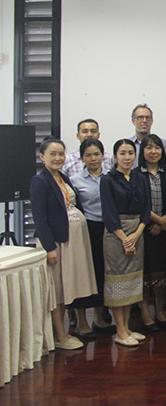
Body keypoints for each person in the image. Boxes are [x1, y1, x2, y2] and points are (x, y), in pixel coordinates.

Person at [30, 137, 98, 350]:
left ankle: (63, 332)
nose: (58, 158)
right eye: (53, 154)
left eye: (61, 154)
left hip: (71, 242)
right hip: (56, 244)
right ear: (42, 157)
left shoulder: (63, 177)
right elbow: (39, 218)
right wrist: (49, 247)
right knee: (57, 291)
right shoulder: (40, 182)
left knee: (66, 288)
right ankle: (60, 335)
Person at [100, 139, 151, 347]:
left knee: (131, 281)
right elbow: (109, 213)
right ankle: (120, 331)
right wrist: (125, 239)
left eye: (130, 153)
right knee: (117, 281)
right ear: (115, 156)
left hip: (137, 233)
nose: (127, 157)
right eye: (122, 153)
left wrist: (136, 235)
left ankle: (128, 326)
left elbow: (146, 210)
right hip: (116, 235)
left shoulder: (140, 178)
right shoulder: (108, 180)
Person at [69, 139, 116, 337]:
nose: (93, 158)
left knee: (103, 275)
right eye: (88, 155)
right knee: (85, 274)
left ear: (102, 155)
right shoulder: (75, 180)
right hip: (87, 229)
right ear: (82, 158)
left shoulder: (111, 177)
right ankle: (81, 322)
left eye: (96, 154)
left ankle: (99, 319)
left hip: (109, 228)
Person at [138, 134, 166, 332]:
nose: (153, 152)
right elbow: (138, 203)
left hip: (165, 230)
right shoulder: (136, 174)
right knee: (145, 274)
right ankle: (146, 313)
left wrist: (165, 219)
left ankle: (160, 312)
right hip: (143, 231)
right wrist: (156, 220)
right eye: (149, 148)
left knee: (164, 272)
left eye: (157, 148)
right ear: (142, 151)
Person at [129, 104, 166, 169]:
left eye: (148, 118)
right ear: (133, 121)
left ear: (152, 121)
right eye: (140, 117)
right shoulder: (128, 145)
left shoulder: (163, 144)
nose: (144, 121)